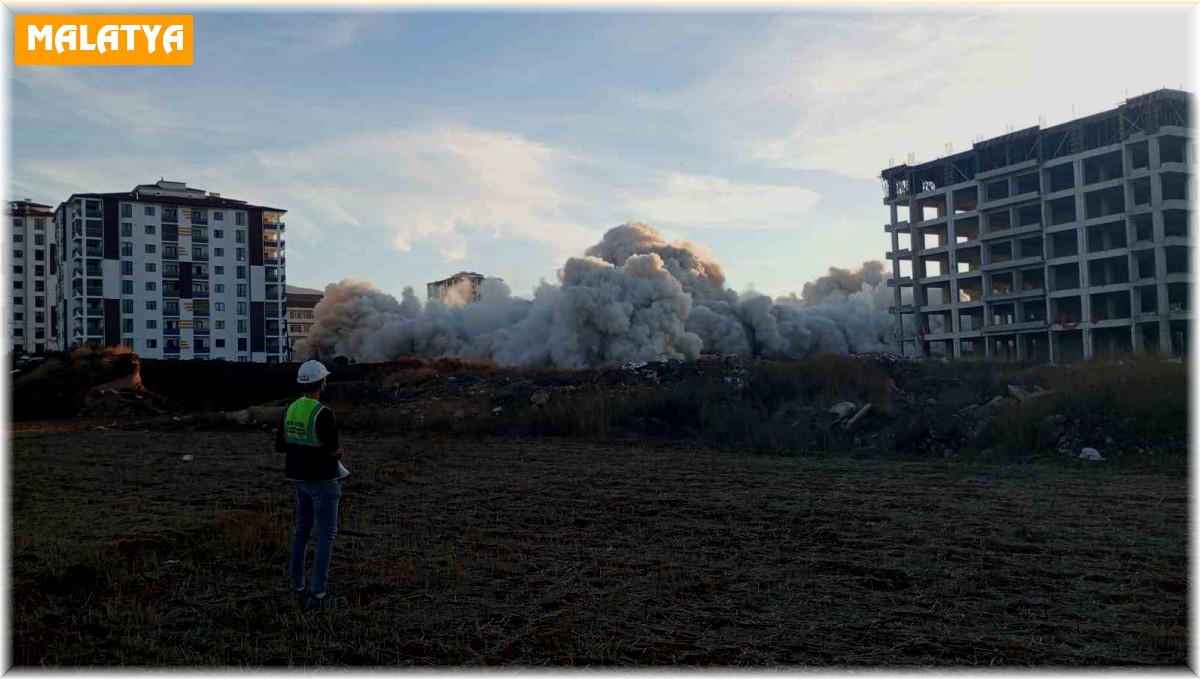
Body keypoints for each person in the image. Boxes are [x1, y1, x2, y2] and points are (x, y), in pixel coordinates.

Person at [276, 359, 349, 610]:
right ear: (323, 383)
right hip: (323, 482)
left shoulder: (290, 409)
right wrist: (339, 452)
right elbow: (332, 450)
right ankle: (318, 594)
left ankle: (297, 586)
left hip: (299, 480)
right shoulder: (323, 413)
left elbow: (282, 445)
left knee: (302, 531)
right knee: (326, 536)